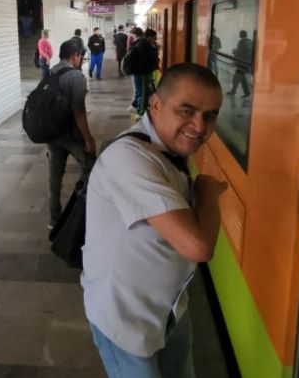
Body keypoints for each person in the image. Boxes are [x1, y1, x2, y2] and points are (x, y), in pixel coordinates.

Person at [82, 63, 227, 378]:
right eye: (186, 111)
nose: (198, 126)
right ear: (156, 105)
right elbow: (198, 247)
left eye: (209, 116)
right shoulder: (130, 159)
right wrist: (207, 192)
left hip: (170, 309)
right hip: (126, 321)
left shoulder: (168, 150)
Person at [46, 39, 97, 228]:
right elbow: (79, 111)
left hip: (52, 133)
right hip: (71, 135)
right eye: (81, 56)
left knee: (55, 177)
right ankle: (78, 212)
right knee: (90, 165)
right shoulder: (76, 76)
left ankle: (54, 219)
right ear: (75, 56)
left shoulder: (51, 71)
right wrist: (88, 138)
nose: (81, 60)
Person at [132, 29, 160, 119]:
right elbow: (148, 59)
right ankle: (141, 112)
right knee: (144, 92)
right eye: (154, 37)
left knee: (141, 90)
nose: (155, 39)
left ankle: (136, 106)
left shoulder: (141, 43)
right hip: (143, 72)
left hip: (140, 71)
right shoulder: (144, 45)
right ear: (149, 37)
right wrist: (155, 50)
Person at [228, 30, 253, 97]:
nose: (239, 35)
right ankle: (246, 92)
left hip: (241, 63)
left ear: (241, 35)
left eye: (239, 34)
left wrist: (234, 51)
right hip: (247, 63)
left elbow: (240, 53)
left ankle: (233, 92)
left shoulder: (242, 42)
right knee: (242, 78)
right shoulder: (250, 42)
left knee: (236, 78)